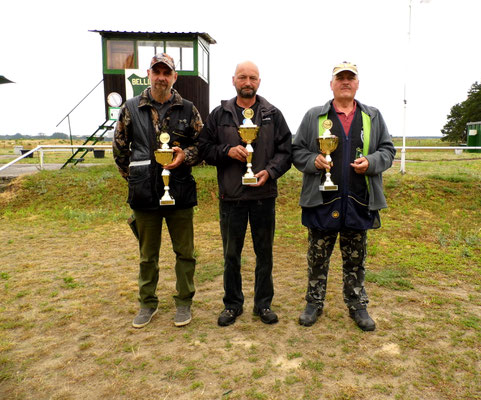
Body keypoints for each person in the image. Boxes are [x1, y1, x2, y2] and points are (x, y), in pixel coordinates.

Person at [292, 62, 396, 331]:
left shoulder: (372, 116)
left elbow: (388, 150)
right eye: (341, 78)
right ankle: (314, 303)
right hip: (321, 199)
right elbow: (297, 151)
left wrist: (372, 162)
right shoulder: (314, 116)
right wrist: (312, 159)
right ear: (332, 84)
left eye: (351, 78)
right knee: (317, 257)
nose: (346, 82)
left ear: (357, 84)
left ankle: (357, 304)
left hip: (359, 199)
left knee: (355, 258)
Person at [113, 53, 203, 329]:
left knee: (185, 252)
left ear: (174, 77)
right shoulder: (130, 108)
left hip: (180, 192)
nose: (162, 77)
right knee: (147, 255)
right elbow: (119, 149)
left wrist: (184, 157)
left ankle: (184, 301)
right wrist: (137, 178)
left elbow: (203, 146)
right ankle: (147, 303)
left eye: (167, 72)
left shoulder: (189, 109)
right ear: (149, 74)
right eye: (157, 71)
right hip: (144, 196)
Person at [199, 61, 292, 326]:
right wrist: (226, 151)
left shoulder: (272, 114)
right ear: (233, 80)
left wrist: (270, 172)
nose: (247, 82)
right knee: (231, 255)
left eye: (252, 77)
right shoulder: (219, 114)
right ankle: (232, 304)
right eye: (242, 77)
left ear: (259, 82)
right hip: (232, 198)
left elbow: (286, 151)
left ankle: (263, 305)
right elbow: (204, 148)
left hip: (263, 196)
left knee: (265, 254)